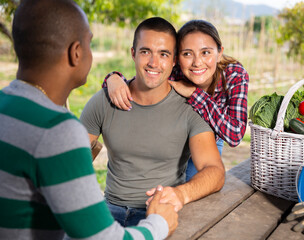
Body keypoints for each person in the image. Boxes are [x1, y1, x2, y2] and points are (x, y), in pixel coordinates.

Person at [0, 1, 178, 239]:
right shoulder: (56, 130)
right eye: (89, 43)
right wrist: (159, 223)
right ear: (76, 53)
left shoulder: (6, 105)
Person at [80, 17, 225, 226]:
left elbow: (215, 171)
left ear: (174, 60)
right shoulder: (104, 100)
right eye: (145, 51)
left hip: (159, 213)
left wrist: (180, 194)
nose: (153, 63)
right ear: (133, 54)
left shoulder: (190, 108)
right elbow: (71, 158)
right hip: (108, 210)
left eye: (163, 54)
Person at [102, 19, 249, 181]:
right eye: (187, 53)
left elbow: (235, 135)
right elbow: (139, 86)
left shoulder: (234, 74)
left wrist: (195, 94)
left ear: (219, 52)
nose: (197, 62)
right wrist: (113, 79)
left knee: (200, 191)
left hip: (209, 142)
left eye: (206, 52)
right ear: (177, 57)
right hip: (173, 143)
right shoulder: (175, 72)